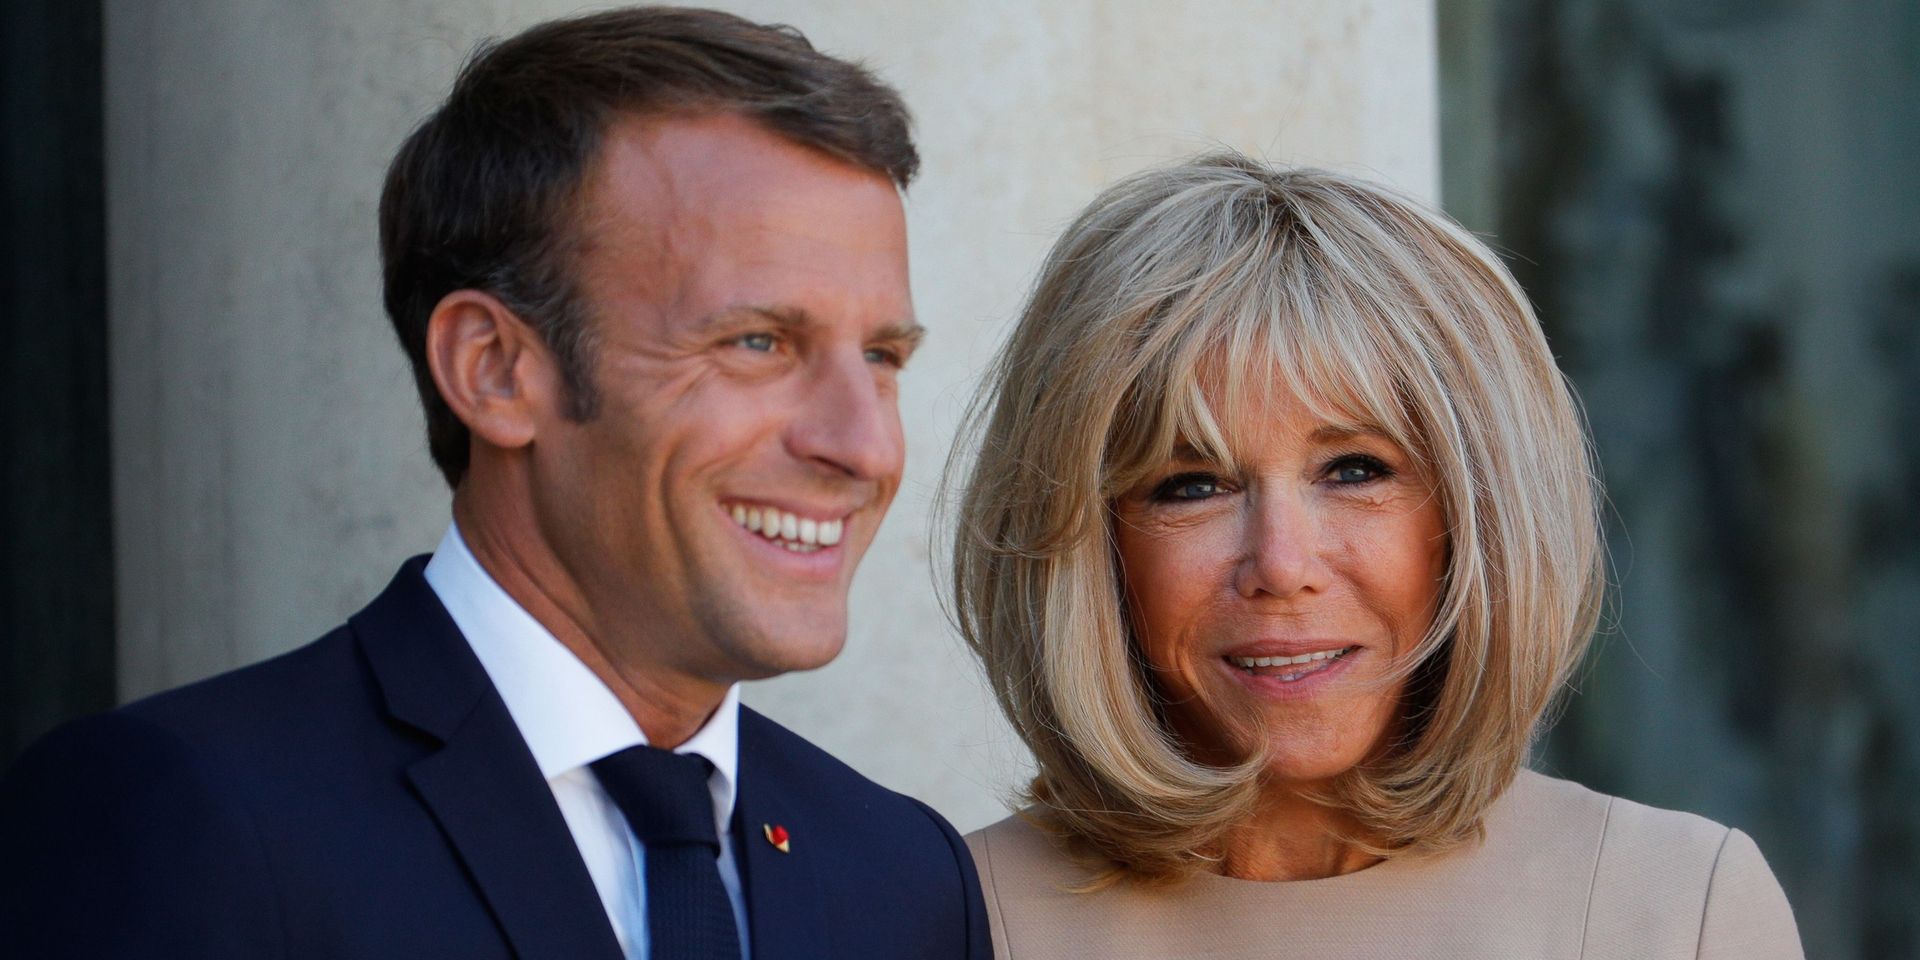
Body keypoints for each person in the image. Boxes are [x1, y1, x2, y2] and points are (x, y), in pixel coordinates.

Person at [2, 8, 988, 959]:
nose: (863, 445)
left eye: (884, 357)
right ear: (494, 370)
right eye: (759, 342)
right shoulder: (192, 819)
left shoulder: (905, 879)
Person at [949, 154, 1802, 959]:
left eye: (1355, 469)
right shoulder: (943, 917)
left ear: (1479, 519)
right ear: (1091, 545)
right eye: (1191, 484)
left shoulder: (1677, 909)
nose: (1282, 564)